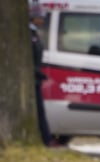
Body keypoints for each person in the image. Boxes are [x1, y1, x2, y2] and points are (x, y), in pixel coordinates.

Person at [30, 2, 56, 147]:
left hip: (36, 79)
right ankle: (46, 140)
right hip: (33, 79)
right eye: (40, 17)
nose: (42, 20)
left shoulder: (34, 34)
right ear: (33, 17)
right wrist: (37, 73)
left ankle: (46, 139)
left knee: (40, 109)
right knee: (39, 110)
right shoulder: (29, 35)